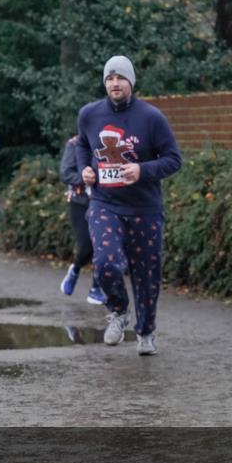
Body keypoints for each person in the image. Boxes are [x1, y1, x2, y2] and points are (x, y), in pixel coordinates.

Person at [75, 55, 183, 355]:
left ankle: (146, 332)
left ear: (131, 82)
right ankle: (119, 312)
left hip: (144, 209)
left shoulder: (151, 118)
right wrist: (85, 169)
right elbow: (82, 144)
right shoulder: (89, 114)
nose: (114, 83)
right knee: (106, 262)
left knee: (146, 276)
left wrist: (142, 170)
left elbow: (174, 159)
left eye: (120, 78)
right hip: (104, 203)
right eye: (109, 78)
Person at [59, 135, 106, 305]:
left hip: (105, 203)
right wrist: (86, 179)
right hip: (81, 202)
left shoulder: (110, 143)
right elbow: (65, 173)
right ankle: (75, 270)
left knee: (102, 245)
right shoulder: (74, 144)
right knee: (86, 245)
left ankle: (96, 288)